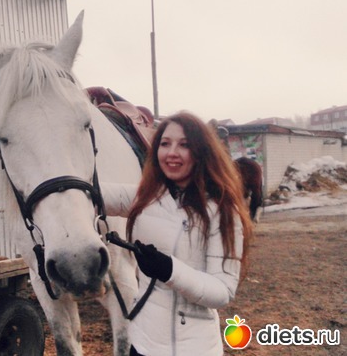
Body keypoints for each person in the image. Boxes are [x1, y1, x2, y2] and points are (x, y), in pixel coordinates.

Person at [102, 111, 253, 356]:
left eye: (184, 145)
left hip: (193, 348)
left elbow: (222, 291)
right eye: (165, 144)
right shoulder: (146, 197)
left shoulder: (222, 210)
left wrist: (169, 270)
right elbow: (90, 192)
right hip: (142, 343)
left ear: (202, 152)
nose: (172, 152)